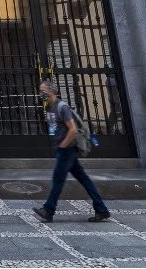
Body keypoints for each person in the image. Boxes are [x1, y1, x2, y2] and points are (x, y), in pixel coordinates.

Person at [32, 81, 110, 224]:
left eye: (43, 90)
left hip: (67, 150)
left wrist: (62, 146)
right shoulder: (49, 108)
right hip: (64, 150)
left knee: (58, 179)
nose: (41, 93)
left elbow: (73, 129)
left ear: (51, 91)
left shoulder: (62, 107)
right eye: (40, 90)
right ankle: (102, 209)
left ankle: (48, 210)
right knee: (84, 179)